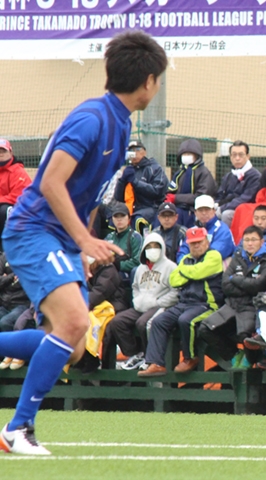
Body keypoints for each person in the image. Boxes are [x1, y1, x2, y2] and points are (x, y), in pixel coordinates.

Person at [0, 30, 167, 455]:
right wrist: (83, 239)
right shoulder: (92, 118)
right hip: (35, 230)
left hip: (61, 240)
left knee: (72, 348)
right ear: (147, 81)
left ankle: (19, 427)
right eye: (159, 79)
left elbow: (86, 193)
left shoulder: (120, 122)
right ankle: (18, 429)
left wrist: (83, 243)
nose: (158, 86)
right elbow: (52, 181)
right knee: (74, 324)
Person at [138, 227, 224, 377]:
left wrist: (186, 271)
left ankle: (190, 357)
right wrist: (193, 272)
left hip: (207, 303)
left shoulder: (214, 256)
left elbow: (198, 273)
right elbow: (174, 280)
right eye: (192, 243)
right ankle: (156, 363)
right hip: (184, 302)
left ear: (207, 241)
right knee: (159, 321)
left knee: (186, 321)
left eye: (199, 242)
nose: (196, 246)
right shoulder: (186, 259)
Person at [198, 226, 266, 365]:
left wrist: (236, 279)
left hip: (252, 306)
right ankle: (234, 355)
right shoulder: (238, 256)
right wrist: (246, 285)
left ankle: (251, 365)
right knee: (205, 329)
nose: (249, 243)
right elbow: (225, 285)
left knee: (245, 335)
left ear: (261, 241)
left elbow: (259, 286)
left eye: (253, 240)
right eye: (246, 240)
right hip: (232, 304)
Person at [101, 232, 178, 371]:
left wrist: (160, 302)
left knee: (142, 323)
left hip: (159, 305)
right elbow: (135, 286)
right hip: (140, 306)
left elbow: (176, 291)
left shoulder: (171, 267)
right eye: (149, 246)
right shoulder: (140, 269)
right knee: (117, 322)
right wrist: (137, 300)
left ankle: (150, 358)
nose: (153, 249)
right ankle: (135, 354)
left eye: (156, 246)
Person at [115, 139, 168, 234]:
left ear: (144, 151)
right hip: (131, 208)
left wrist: (135, 182)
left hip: (152, 207)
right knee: (113, 218)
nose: (135, 153)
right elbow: (118, 197)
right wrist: (122, 181)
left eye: (138, 149)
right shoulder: (129, 170)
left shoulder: (154, 168)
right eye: (131, 151)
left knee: (138, 219)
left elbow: (157, 191)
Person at [167, 138, 218, 228]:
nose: (186, 156)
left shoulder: (204, 173)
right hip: (179, 207)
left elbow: (201, 197)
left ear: (197, 156)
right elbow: (171, 190)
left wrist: (176, 198)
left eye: (189, 154)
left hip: (194, 209)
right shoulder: (180, 173)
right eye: (184, 154)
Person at [176, 195, 235, 263]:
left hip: (217, 269)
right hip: (193, 267)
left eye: (207, 210)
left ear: (214, 211)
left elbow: (216, 254)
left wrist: (194, 264)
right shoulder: (192, 230)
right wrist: (186, 264)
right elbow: (182, 252)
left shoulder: (222, 229)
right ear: (195, 213)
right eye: (200, 210)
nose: (204, 213)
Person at [215, 140, 261, 226]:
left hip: (245, 210)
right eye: (234, 155)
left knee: (226, 215)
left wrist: (221, 208)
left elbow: (245, 199)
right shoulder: (229, 175)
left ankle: (226, 238)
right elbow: (220, 195)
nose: (237, 158)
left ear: (248, 156)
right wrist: (214, 206)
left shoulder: (255, 176)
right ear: (230, 157)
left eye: (241, 155)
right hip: (225, 207)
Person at [0, 139, 32, 248]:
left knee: (4, 210)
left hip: (22, 211)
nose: (0, 154)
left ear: (11, 153)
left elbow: (19, 197)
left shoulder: (18, 172)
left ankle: (6, 248)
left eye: (3, 151)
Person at [104, 202, 143, 280]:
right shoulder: (109, 237)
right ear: (112, 219)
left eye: (122, 216)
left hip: (127, 274)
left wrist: (119, 265)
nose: (119, 219)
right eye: (116, 216)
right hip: (109, 272)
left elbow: (138, 262)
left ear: (129, 218)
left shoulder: (135, 237)